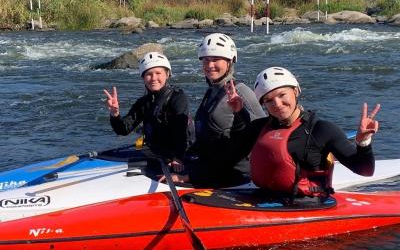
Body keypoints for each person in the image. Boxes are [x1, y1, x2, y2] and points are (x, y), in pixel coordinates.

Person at [225, 66, 380, 197]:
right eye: (269, 100)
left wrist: (363, 142)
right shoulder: (259, 128)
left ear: (296, 91)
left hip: (307, 205)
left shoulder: (322, 130)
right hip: (264, 199)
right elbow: (233, 154)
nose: (277, 104)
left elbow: (365, 170)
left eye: (282, 95)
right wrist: (239, 112)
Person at [163, 33, 265, 187]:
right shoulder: (211, 91)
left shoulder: (242, 92)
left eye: (216, 60)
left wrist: (190, 177)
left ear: (230, 62)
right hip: (209, 168)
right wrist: (182, 158)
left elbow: (262, 135)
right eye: (206, 60)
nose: (210, 65)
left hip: (234, 177)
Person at [103, 52, 192, 173]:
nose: (154, 78)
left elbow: (182, 132)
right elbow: (123, 130)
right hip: (156, 154)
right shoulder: (144, 102)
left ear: (167, 74)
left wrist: (178, 158)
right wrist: (115, 114)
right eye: (149, 74)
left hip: (179, 156)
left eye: (158, 73)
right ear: (143, 78)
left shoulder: (178, 98)